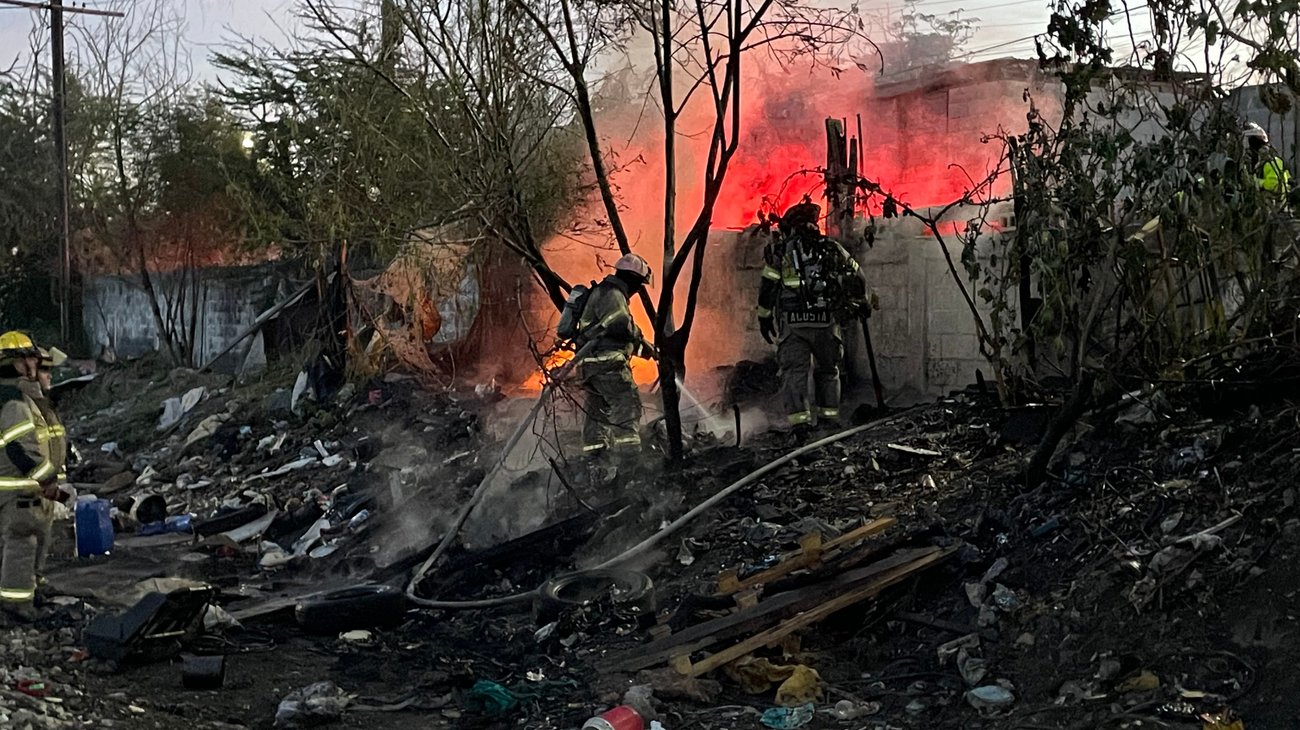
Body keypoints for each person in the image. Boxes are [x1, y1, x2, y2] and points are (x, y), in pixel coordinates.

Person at [756, 200, 870, 430]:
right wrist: (860, 303)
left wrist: (764, 317)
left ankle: (801, 426)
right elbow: (856, 276)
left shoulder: (783, 252)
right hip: (826, 323)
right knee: (828, 372)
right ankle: (829, 420)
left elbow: (768, 286)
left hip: (794, 325)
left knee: (795, 373)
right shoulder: (830, 248)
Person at [0, 331, 57, 620]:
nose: (36, 364)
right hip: (19, 491)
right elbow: (21, 450)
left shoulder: (24, 399)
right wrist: (47, 479)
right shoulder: (14, 403)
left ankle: (32, 592)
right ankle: (17, 605)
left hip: (26, 490)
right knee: (22, 544)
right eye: (30, 358)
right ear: (16, 363)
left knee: (31, 542)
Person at [575, 253, 654, 457]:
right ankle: (630, 459)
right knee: (627, 405)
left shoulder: (603, 292)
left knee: (597, 412)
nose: (638, 290)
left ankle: (596, 459)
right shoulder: (612, 294)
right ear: (632, 278)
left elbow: (608, 333)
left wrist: (643, 348)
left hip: (591, 364)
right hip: (606, 364)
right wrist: (639, 336)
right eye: (639, 284)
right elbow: (619, 325)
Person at [1242, 122, 1291, 197]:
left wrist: (1255, 182)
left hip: (1272, 204)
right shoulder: (1259, 162)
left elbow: (1274, 184)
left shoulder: (1272, 161)